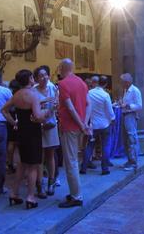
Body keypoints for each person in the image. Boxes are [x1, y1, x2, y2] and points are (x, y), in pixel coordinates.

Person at [1, 69, 52, 209]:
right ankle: (30, 196)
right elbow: (37, 117)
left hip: (21, 132)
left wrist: (14, 122)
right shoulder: (33, 95)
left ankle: (14, 193)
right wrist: (48, 112)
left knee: (22, 164)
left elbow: (3, 110)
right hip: (33, 133)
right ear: (30, 79)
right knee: (33, 166)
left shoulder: (16, 95)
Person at [57, 59, 91, 208]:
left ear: (62, 68)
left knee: (71, 162)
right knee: (74, 159)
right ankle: (74, 192)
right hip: (79, 127)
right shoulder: (82, 83)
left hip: (70, 127)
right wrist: (85, 123)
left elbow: (70, 108)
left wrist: (81, 124)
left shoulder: (63, 84)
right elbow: (89, 104)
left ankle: (76, 196)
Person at [33, 66, 60, 197]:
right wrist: (43, 101)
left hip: (51, 124)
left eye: (46, 75)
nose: (44, 78)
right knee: (39, 156)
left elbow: (57, 103)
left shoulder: (52, 88)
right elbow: (30, 105)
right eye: (41, 76)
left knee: (50, 154)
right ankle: (40, 185)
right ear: (36, 78)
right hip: (38, 125)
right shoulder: (33, 90)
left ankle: (51, 181)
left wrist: (55, 105)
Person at [81, 76, 115, 175]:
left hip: (93, 124)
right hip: (104, 124)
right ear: (105, 84)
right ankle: (105, 168)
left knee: (90, 146)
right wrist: (113, 119)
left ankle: (84, 167)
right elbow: (109, 110)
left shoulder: (90, 93)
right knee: (106, 145)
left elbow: (86, 106)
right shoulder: (105, 95)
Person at [120, 73, 142, 171]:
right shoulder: (126, 90)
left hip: (130, 116)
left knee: (131, 138)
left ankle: (134, 162)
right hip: (125, 115)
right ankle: (130, 160)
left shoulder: (135, 90)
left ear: (127, 82)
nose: (121, 83)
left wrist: (127, 106)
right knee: (126, 139)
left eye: (122, 82)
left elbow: (139, 105)